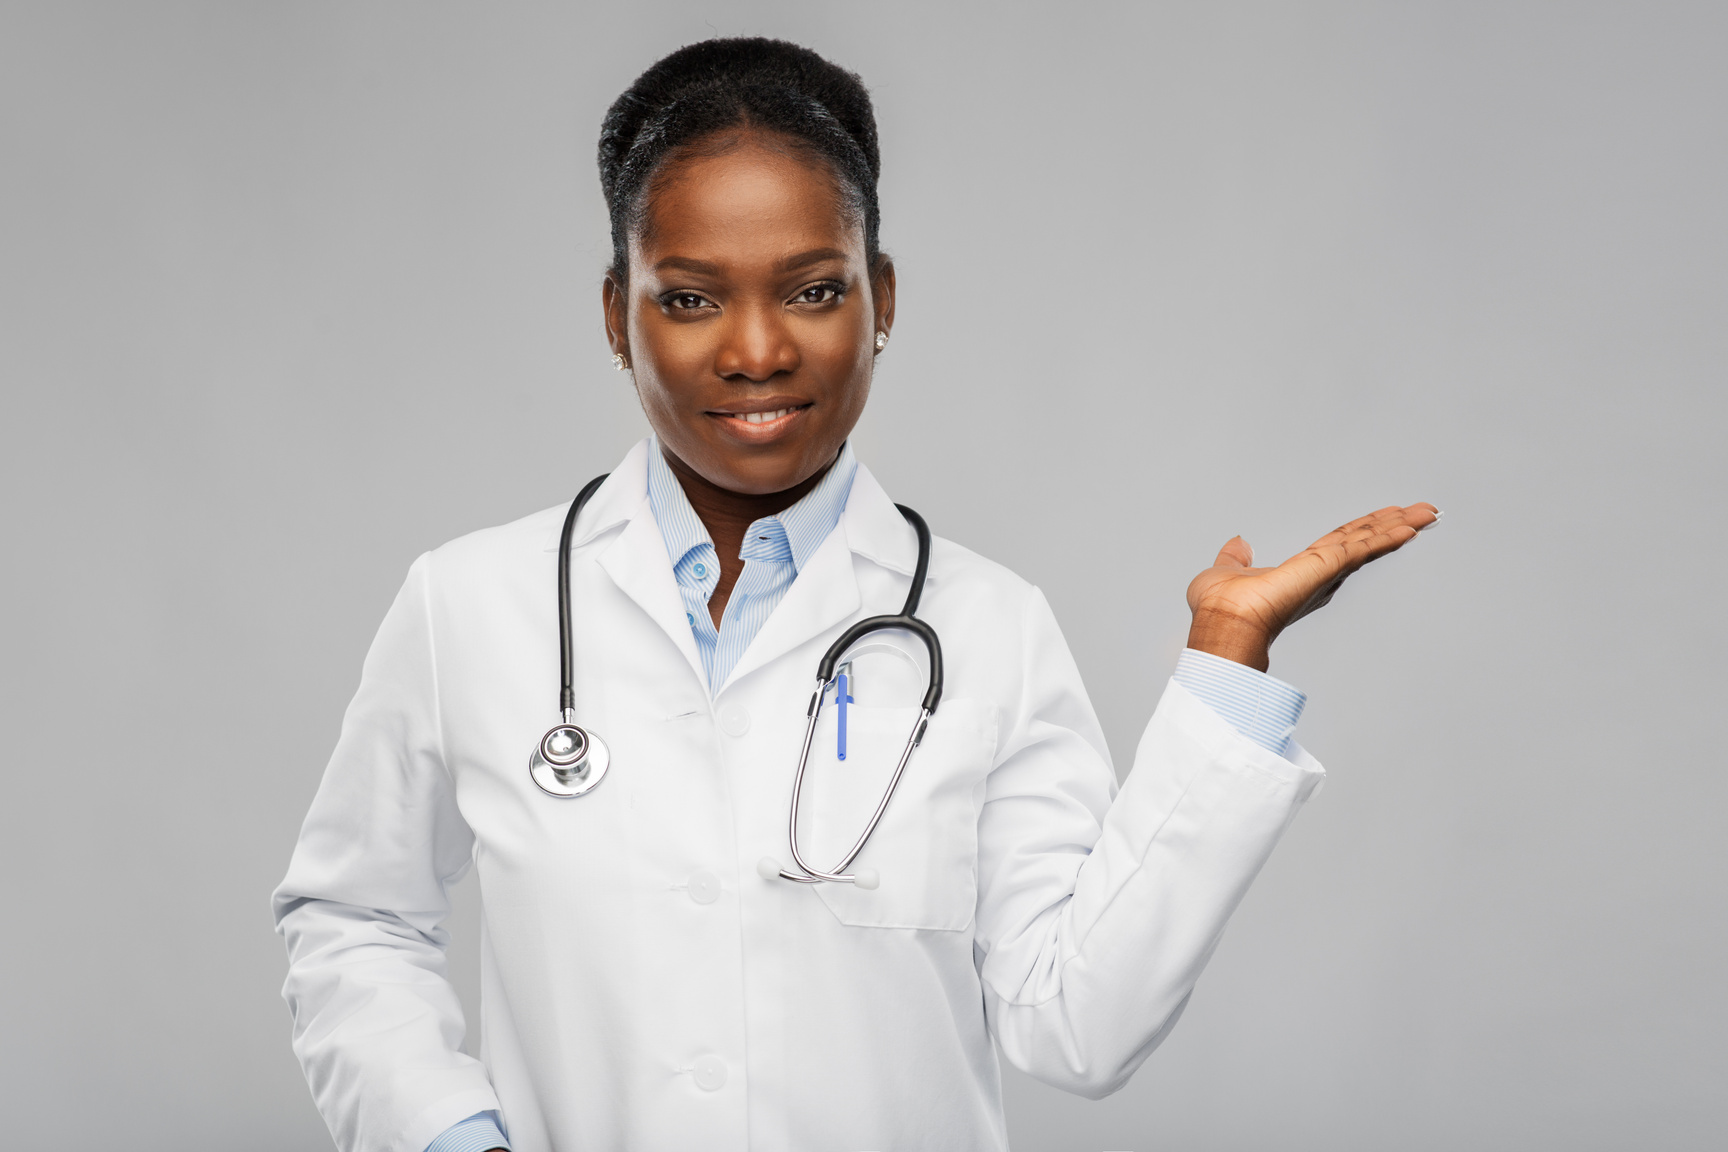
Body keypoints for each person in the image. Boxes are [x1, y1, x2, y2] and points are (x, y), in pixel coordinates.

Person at [273, 37, 1438, 1152]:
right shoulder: (468, 606)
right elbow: (354, 921)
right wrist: (448, 1137)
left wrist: (1227, 666)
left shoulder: (989, 628)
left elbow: (1078, 1023)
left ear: (881, 299)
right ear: (616, 316)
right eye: (690, 299)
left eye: (814, 290)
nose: (757, 350)